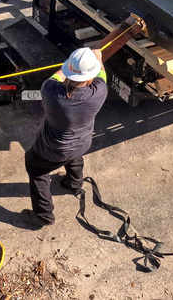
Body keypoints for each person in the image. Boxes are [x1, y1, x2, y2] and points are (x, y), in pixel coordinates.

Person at [21, 48, 107, 229]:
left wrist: (69, 66)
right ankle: (73, 185)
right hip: (82, 142)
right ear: (91, 76)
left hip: (52, 149)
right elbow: (102, 73)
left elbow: (56, 76)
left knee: (36, 169)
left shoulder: (50, 91)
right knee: (74, 156)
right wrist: (98, 58)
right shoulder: (99, 91)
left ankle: (43, 215)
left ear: (68, 69)